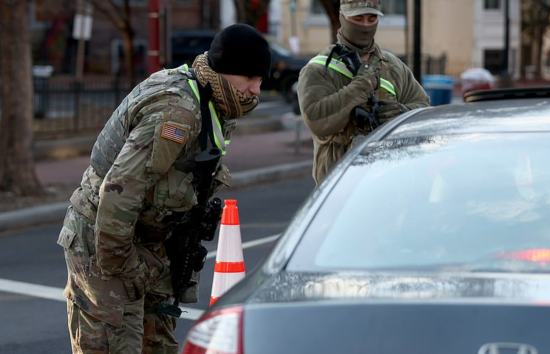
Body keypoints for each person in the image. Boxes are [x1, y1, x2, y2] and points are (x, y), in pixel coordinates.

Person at [56, 23, 271, 354]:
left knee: (157, 344)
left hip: (146, 243)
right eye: (251, 80)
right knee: (115, 346)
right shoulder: (179, 111)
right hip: (105, 243)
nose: (256, 91)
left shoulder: (212, 100)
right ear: (226, 74)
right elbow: (119, 193)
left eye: (260, 81)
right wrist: (125, 267)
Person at [297, 0, 430, 184]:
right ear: (343, 17)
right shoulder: (319, 69)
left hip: (390, 181)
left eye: (371, 18)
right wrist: (360, 87)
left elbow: (423, 108)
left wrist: (400, 114)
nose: (366, 25)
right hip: (339, 185)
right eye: (358, 18)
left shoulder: (392, 65)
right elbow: (317, 119)